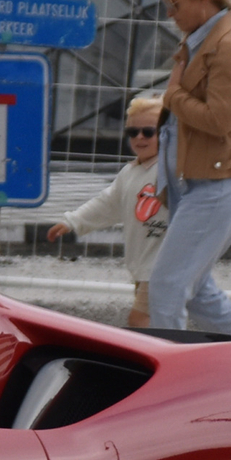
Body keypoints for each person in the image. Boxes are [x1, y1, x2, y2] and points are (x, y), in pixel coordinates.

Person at [144, 0, 231, 340]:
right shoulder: (201, 39)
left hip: (215, 187)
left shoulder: (227, 47)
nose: (170, 14)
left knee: (166, 287)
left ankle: (168, 382)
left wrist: (173, 96)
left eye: (174, 4)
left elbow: (220, 120)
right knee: (198, 293)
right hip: (195, 182)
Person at [45, 96, 169, 328]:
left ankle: (147, 359)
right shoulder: (130, 172)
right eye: (132, 132)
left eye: (148, 131)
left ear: (166, 133)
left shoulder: (171, 170)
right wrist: (73, 221)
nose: (139, 137)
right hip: (142, 265)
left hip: (162, 265)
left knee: (141, 319)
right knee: (160, 323)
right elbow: (108, 203)